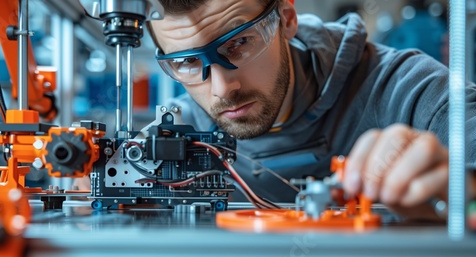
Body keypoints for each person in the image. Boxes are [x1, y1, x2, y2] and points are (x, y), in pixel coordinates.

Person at [146, 0, 476, 220]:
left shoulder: (408, 90)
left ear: (287, 19)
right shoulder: (174, 136)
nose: (221, 89)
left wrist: (466, 193)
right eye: (186, 61)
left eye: (238, 44)